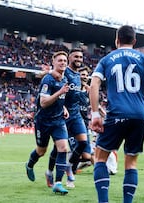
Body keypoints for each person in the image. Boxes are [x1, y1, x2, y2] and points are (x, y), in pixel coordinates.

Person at [89, 25, 144, 203]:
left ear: (117, 40)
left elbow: (94, 83)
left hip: (116, 114)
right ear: (134, 41)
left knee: (100, 158)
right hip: (139, 116)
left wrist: (95, 113)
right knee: (131, 163)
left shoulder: (107, 59)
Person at [25, 51, 70, 195]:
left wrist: (64, 107)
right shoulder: (48, 80)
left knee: (63, 148)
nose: (63, 62)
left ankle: (58, 183)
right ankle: (30, 164)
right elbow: (43, 103)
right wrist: (60, 92)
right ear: (54, 63)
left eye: (64, 60)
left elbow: (59, 99)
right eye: (60, 60)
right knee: (41, 151)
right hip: (43, 121)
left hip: (58, 120)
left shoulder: (64, 79)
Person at [45, 48, 91, 188]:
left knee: (83, 143)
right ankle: (49, 172)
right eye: (75, 56)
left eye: (80, 57)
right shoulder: (65, 73)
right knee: (59, 148)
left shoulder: (77, 76)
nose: (78, 59)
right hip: (63, 115)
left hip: (76, 115)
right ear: (69, 58)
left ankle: (69, 166)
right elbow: (56, 83)